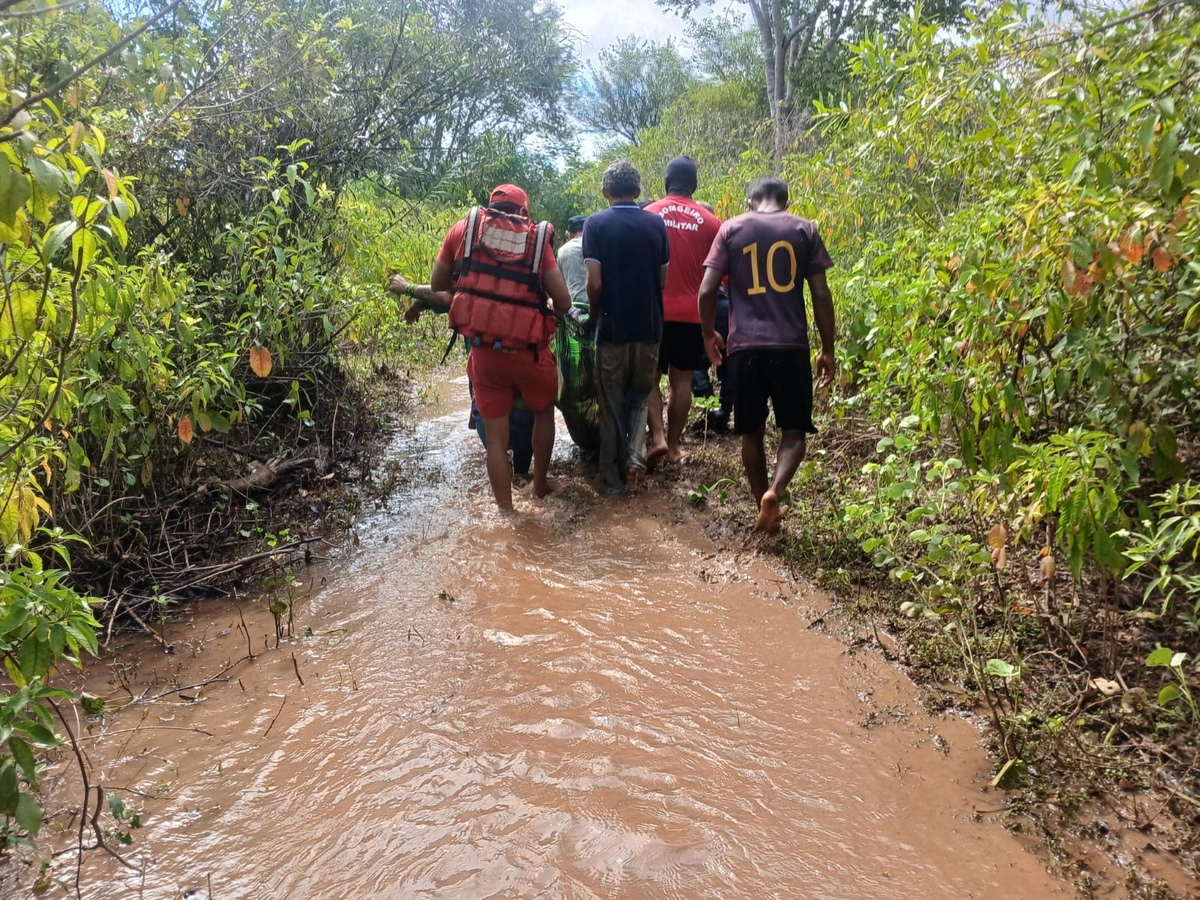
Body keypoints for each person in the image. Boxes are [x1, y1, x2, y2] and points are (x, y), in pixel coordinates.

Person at [698, 175, 835, 534]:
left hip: (744, 348)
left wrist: (708, 333)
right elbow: (821, 294)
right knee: (794, 432)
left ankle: (763, 500)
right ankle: (775, 492)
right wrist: (828, 349)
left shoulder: (731, 229)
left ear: (750, 202)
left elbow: (706, 290)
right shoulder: (804, 229)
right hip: (790, 346)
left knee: (751, 434)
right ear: (786, 203)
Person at [429, 184, 571, 509]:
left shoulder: (464, 228)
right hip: (531, 354)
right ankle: (538, 487)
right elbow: (562, 301)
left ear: (491, 205)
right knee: (543, 414)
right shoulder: (536, 238)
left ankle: (506, 512)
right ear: (525, 211)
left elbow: (438, 285)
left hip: (485, 355)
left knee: (495, 440)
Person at [386, 275, 535, 475]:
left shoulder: (473, 268)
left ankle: (508, 488)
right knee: (525, 427)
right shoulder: (527, 265)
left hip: (485, 368)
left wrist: (409, 290)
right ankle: (524, 480)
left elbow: (445, 297)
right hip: (524, 367)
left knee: (494, 441)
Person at [583, 161, 670, 493]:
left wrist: (595, 313)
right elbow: (662, 279)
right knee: (638, 398)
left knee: (611, 402)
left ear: (605, 192)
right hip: (649, 327)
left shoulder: (596, 224)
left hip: (612, 328)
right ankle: (636, 462)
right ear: (637, 192)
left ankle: (612, 478)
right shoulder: (655, 224)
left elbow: (594, 283)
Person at [645, 157, 721, 466]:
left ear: (665, 181)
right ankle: (674, 447)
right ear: (695, 185)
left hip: (653, 312)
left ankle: (657, 437)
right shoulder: (711, 222)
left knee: (650, 379)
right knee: (682, 381)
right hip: (693, 315)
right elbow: (718, 278)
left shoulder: (649, 215)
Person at [552, 215, 602, 455]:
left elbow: (560, 294)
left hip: (573, 321)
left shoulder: (563, 251)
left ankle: (585, 436)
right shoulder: (598, 244)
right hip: (600, 316)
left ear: (569, 233)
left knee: (574, 382)